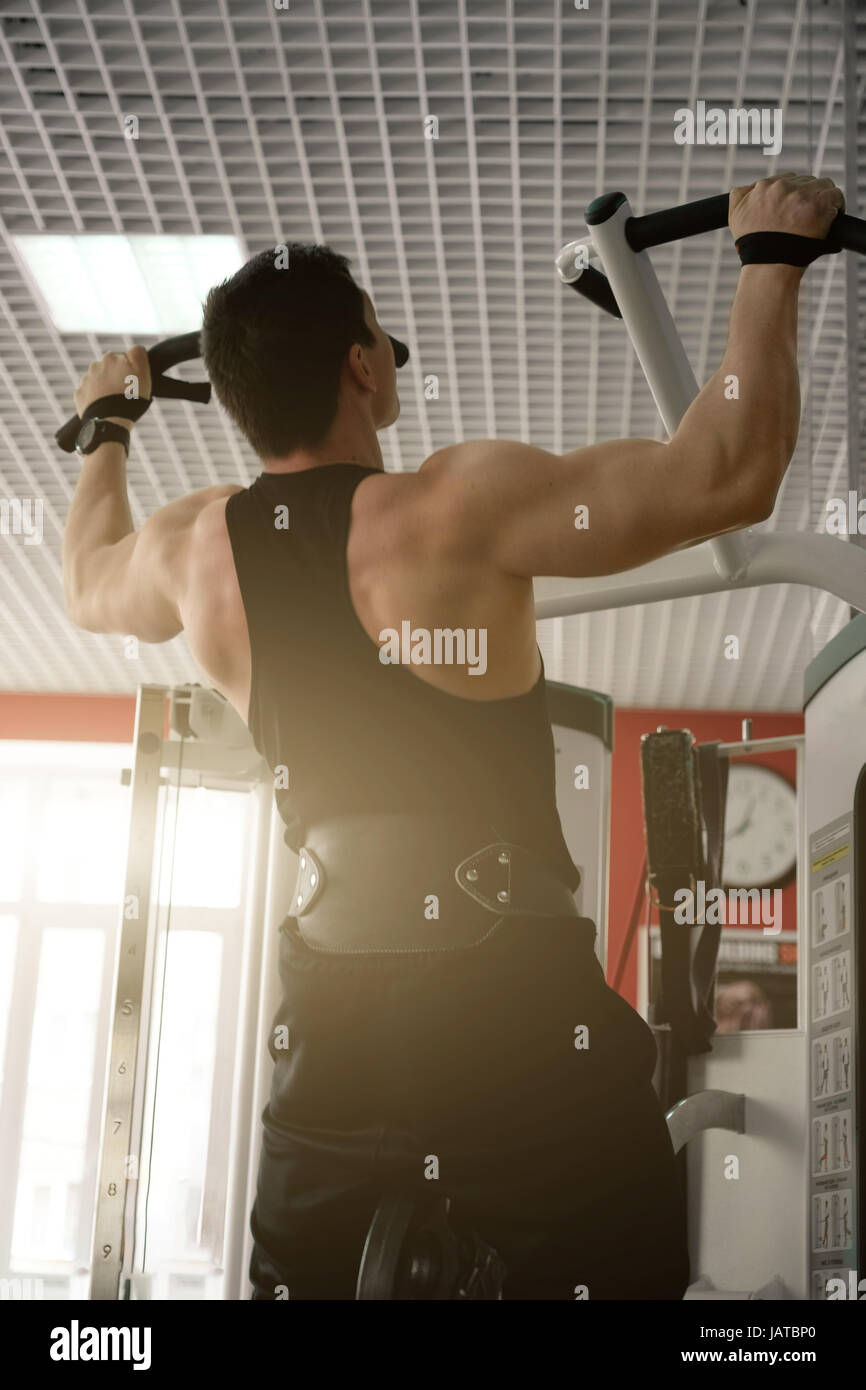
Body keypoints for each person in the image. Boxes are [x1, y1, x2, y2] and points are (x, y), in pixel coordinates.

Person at [62, 173, 844, 1299]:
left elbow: (86, 578)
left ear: (235, 400)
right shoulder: (450, 508)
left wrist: (107, 427)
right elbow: (726, 471)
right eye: (377, 338)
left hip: (326, 1020)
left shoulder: (192, 554)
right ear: (364, 367)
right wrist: (771, 257)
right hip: (507, 1005)